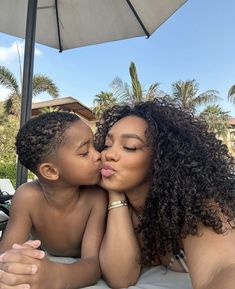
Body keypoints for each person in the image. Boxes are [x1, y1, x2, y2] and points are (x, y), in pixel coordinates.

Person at [0, 99, 235, 289]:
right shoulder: (113, 204)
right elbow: (121, 279)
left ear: (164, 158)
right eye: (107, 144)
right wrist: (116, 195)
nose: (106, 154)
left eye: (130, 147)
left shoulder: (196, 204)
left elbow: (221, 270)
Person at [0, 111, 107, 289]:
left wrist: (57, 276)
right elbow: (6, 252)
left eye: (95, 146)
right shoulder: (27, 196)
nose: (98, 155)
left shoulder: (96, 197)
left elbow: (93, 265)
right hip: (46, 259)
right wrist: (14, 266)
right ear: (50, 171)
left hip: (73, 267)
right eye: (84, 152)